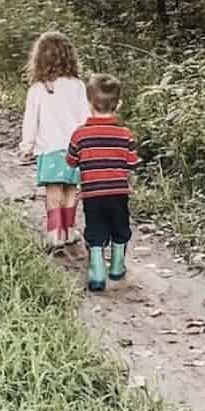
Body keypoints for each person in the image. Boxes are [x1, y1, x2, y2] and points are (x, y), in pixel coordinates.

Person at [66, 74, 139, 292]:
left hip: (92, 193)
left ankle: (97, 272)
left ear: (88, 103)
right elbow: (132, 163)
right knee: (120, 226)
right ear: (119, 104)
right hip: (118, 192)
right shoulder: (125, 134)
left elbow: (71, 160)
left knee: (96, 229)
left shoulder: (80, 134)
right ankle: (117, 266)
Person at [19, 32, 90, 250]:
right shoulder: (78, 85)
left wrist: (26, 145)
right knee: (70, 190)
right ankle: (69, 231)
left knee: (53, 192)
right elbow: (85, 117)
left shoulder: (38, 89)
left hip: (49, 149)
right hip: (75, 150)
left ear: (39, 59)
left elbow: (31, 120)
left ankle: (54, 233)